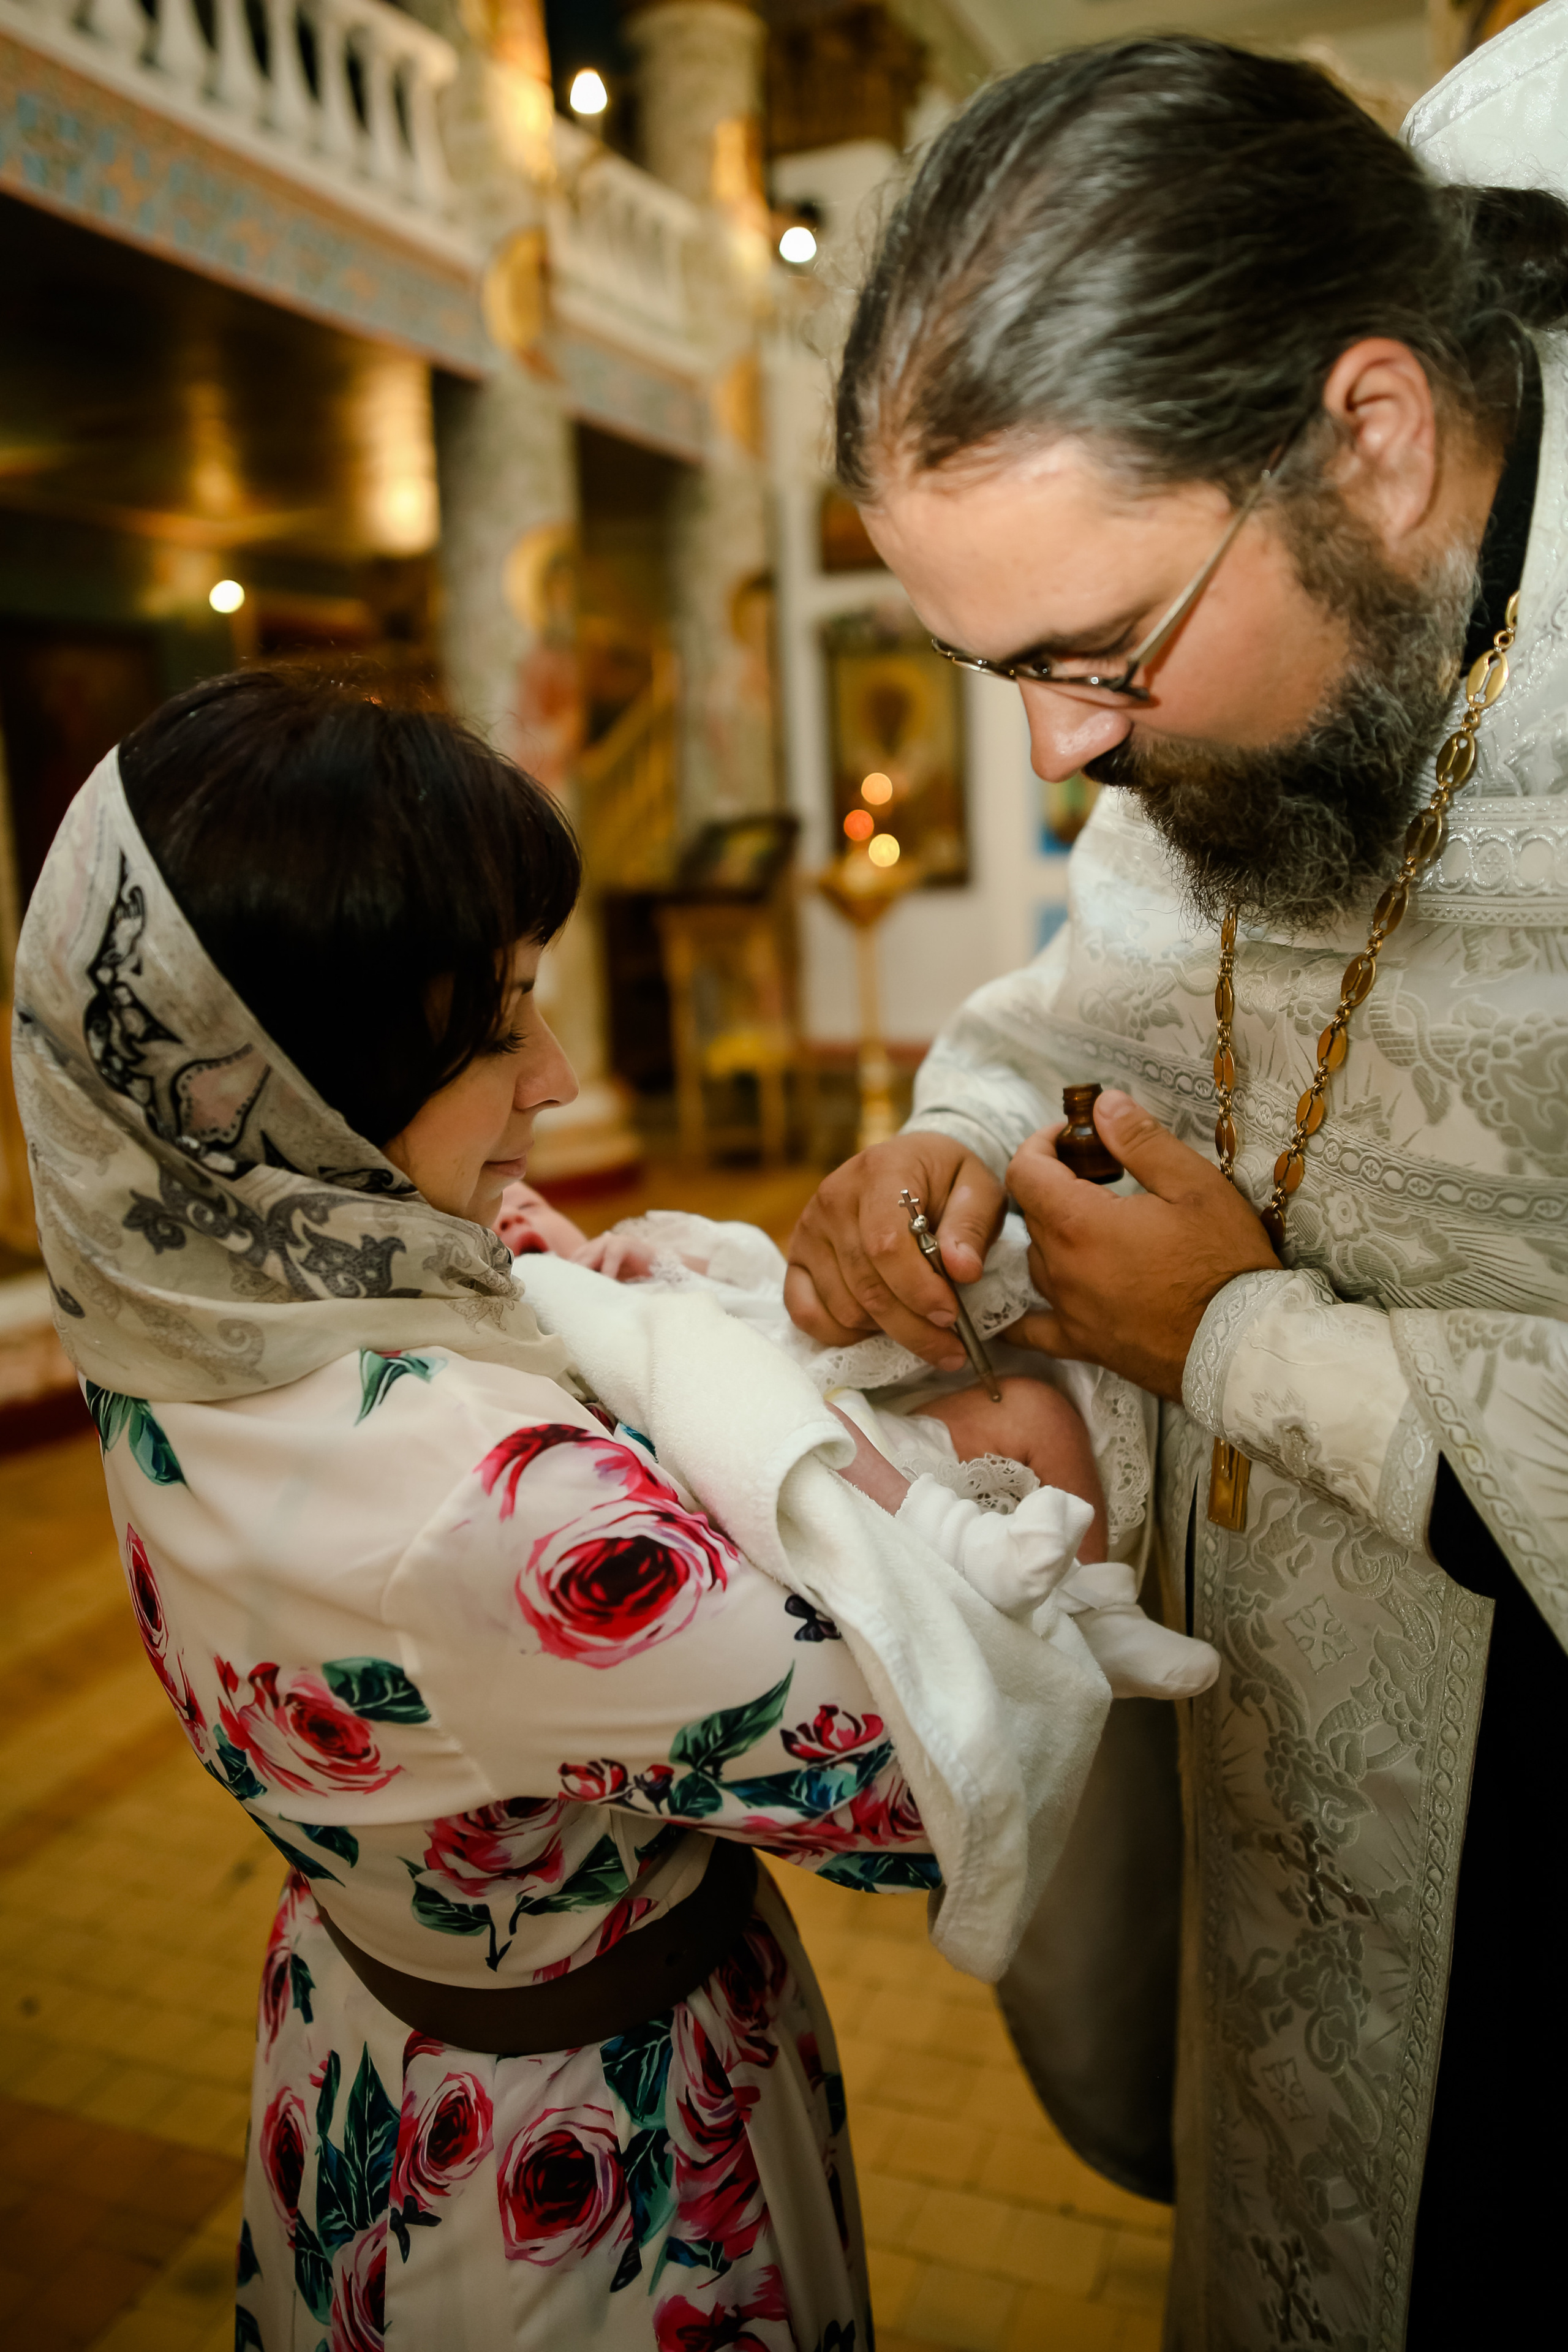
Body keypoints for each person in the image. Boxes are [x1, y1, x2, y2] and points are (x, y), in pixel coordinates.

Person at [9, 669, 1113, 2352]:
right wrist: (1035, 1431)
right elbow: (939, 1775)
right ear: (289, 1088)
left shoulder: (178, 1296)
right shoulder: (493, 1507)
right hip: (574, 2175)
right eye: (502, 1018)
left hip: (377, 2039)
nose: (563, 1077)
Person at [784, 25, 1568, 2346]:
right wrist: (945, 1152)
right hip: (1295, 1802)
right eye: (989, 667)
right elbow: (1103, 1015)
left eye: (1091, 653)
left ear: (1371, 436)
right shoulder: (1240, 649)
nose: (1059, 755)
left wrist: (1236, 1347)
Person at [492, 1180, 1221, 1696]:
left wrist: (656, 1264)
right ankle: (969, 1557)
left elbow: (762, 1268)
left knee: (1035, 1411)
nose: (517, 1223)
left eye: (528, 1207)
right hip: (797, 1457)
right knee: (797, 1418)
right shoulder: (559, 1334)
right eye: (497, 1234)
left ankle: (1102, 1611)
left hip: (875, 1417)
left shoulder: (649, 1248)